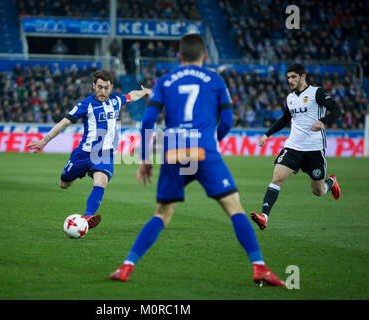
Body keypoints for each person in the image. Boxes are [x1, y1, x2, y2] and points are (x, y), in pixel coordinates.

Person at [110, 34, 285, 287]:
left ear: (179, 56)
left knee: (162, 214)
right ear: (204, 56)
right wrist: (212, 143)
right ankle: (259, 268)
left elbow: (148, 121)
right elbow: (226, 122)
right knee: (235, 209)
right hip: (203, 151)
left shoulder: (164, 81)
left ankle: (126, 267)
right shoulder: (215, 80)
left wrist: (146, 158)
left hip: (173, 151)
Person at [27, 70, 151, 230]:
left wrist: (144, 92)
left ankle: (88, 216)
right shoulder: (86, 104)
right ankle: (82, 172)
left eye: (106, 88)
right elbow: (64, 123)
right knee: (64, 184)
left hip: (105, 153)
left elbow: (131, 96)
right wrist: (44, 141)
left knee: (101, 181)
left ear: (111, 87)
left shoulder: (116, 100)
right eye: (99, 87)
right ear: (94, 86)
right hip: (84, 154)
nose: (103, 91)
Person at [250, 63, 342, 230]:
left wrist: (323, 121)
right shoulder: (290, 98)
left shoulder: (317, 93)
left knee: (318, 191)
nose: (290, 81)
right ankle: (264, 216)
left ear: (303, 77)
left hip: (314, 149)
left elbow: (337, 111)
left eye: (293, 77)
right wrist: (267, 134)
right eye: (288, 78)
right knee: (277, 178)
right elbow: (285, 119)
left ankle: (331, 182)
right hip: (293, 147)